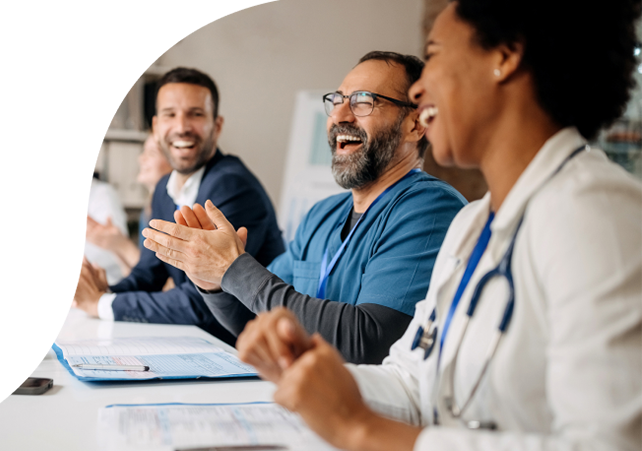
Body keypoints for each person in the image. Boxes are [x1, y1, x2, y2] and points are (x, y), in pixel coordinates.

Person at [232, 0, 642, 450]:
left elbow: (608, 445)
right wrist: (314, 370)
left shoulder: (594, 214)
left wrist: (359, 428)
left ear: (505, 56)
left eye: (437, 55)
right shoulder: (472, 225)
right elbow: (413, 384)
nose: (419, 91)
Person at [143, 52, 467, 364]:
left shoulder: (430, 209)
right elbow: (252, 321)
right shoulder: (322, 216)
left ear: (416, 124)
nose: (339, 116)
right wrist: (212, 280)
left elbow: (370, 341)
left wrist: (234, 268)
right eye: (337, 101)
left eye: (363, 102)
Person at [74, 67, 285, 344]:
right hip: (199, 340)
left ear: (217, 126)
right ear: (156, 127)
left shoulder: (232, 186)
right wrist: (106, 292)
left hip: (246, 349)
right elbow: (149, 272)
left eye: (196, 114)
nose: (182, 126)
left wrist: (102, 305)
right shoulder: (165, 188)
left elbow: (203, 299)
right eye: (170, 114)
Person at [87, 133, 173, 277]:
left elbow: (168, 284)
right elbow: (134, 275)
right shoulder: (147, 211)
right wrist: (113, 245)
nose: (141, 158)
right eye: (143, 151)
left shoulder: (174, 212)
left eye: (151, 153)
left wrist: (122, 245)